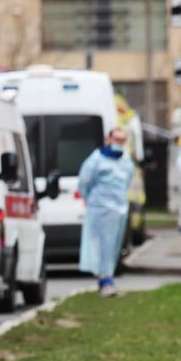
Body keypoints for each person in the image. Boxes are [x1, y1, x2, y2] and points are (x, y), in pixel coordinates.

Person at [78, 127, 134, 297]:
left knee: (113, 246)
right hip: (100, 208)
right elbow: (84, 183)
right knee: (102, 245)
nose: (119, 143)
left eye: (122, 140)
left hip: (119, 209)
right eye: (116, 139)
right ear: (108, 139)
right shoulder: (95, 161)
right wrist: (91, 200)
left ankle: (107, 277)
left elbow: (126, 183)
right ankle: (105, 280)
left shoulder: (126, 162)